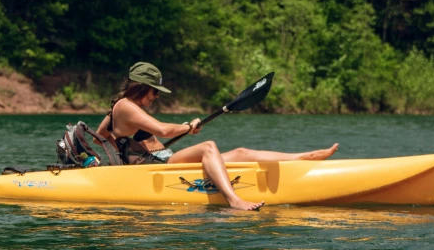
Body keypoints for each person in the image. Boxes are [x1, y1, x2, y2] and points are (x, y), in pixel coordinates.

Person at [96, 62, 339, 211]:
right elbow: (162, 130)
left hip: (162, 158)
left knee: (240, 153)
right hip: (154, 165)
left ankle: (306, 157)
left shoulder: (119, 109)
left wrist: (117, 151)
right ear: (141, 87)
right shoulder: (125, 106)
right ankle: (233, 200)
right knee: (208, 146)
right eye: (154, 92)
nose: (156, 97)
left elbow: (100, 137)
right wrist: (186, 126)